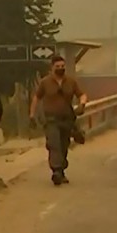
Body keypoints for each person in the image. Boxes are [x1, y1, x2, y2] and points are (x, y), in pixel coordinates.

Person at [30, 55, 88, 186]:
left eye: (62, 66)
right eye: (58, 67)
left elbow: (82, 94)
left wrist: (82, 104)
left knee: (63, 145)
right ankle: (56, 170)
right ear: (52, 68)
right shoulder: (45, 82)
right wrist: (32, 115)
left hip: (67, 119)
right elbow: (36, 98)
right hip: (51, 120)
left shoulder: (71, 82)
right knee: (54, 144)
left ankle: (61, 170)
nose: (61, 69)